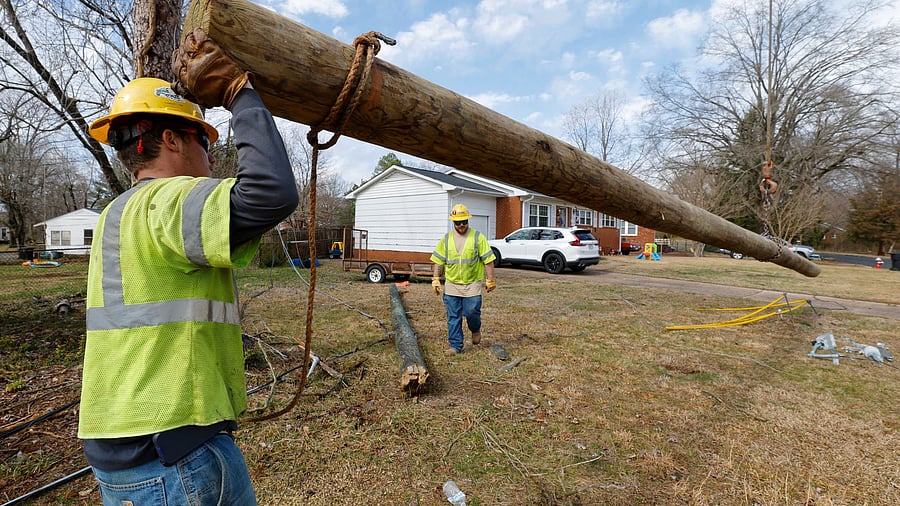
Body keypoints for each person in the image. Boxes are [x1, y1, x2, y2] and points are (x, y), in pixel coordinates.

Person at [78, 29, 298, 505]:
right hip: (173, 455)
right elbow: (271, 191)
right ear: (174, 138)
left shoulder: (119, 213)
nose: (211, 156)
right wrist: (240, 95)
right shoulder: (169, 200)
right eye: (204, 140)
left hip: (125, 451)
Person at [430, 204, 497, 355]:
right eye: (458, 222)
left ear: (468, 220)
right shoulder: (446, 240)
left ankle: (475, 329)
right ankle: (455, 345)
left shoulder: (478, 237)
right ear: (453, 222)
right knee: (453, 316)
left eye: (464, 221)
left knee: (472, 311)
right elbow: (438, 261)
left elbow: (488, 260)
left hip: (472, 283)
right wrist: (435, 278)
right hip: (452, 284)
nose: (461, 225)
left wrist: (490, 279)